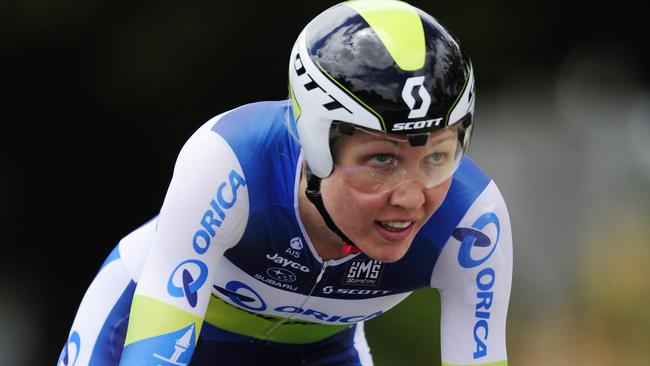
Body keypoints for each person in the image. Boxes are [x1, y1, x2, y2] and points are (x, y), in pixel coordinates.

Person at [59, 0, 512, 365]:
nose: (412, 197)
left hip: (321, 352)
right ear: (315, 143)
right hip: (160, 327)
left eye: (437, 156)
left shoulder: (473, 221)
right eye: (381, 159)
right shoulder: (229, 160)